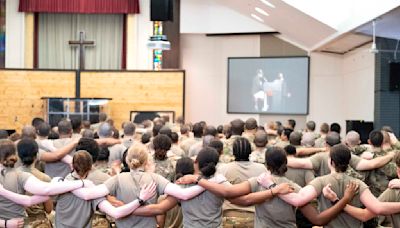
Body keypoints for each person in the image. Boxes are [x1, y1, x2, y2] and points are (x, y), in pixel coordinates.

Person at [177, 146, 358, 228]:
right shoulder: (293, 187)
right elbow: (318, 220)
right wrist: (343, 201)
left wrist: (200, 181)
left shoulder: (258, 181)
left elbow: (233, 195)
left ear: (266, 164)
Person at [66, 144, 222, 228]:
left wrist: (71, 184)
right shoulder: (155, 179)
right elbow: (184, 195)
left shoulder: (117, 179)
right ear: (146, 161)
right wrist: (210, 182)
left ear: (127, 160)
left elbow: (88, 195)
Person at [258, 144, 400, 228]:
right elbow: (378, 208)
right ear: (349, 162)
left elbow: (297, 200)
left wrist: (271, 185)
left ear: (330, 161)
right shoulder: (358, 184)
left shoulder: (321, 182)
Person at [0, 140, 93, 226]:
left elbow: (29, 200)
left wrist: (5, 223)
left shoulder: (20, 176)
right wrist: (81, 183)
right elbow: (46, 191)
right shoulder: (20, 176)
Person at [55, 150, 156, 228]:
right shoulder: (93, 191)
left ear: (72, 165)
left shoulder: (59, 183)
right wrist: (140, 200)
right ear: (91, 168)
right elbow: (116, 213)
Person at [287, 132, 395, 177]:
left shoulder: (320, 157)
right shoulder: (347, 154)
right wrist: (390, 155)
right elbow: (371, 164)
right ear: (341, 142)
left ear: (325, 143)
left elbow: (299, 163)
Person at [17, 138, 53, 228]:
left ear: (18, 155)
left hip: (19, 222)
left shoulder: (11, 176)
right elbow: (49, 209)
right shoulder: (44, 178)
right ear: (37, 155)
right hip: (40, 223)